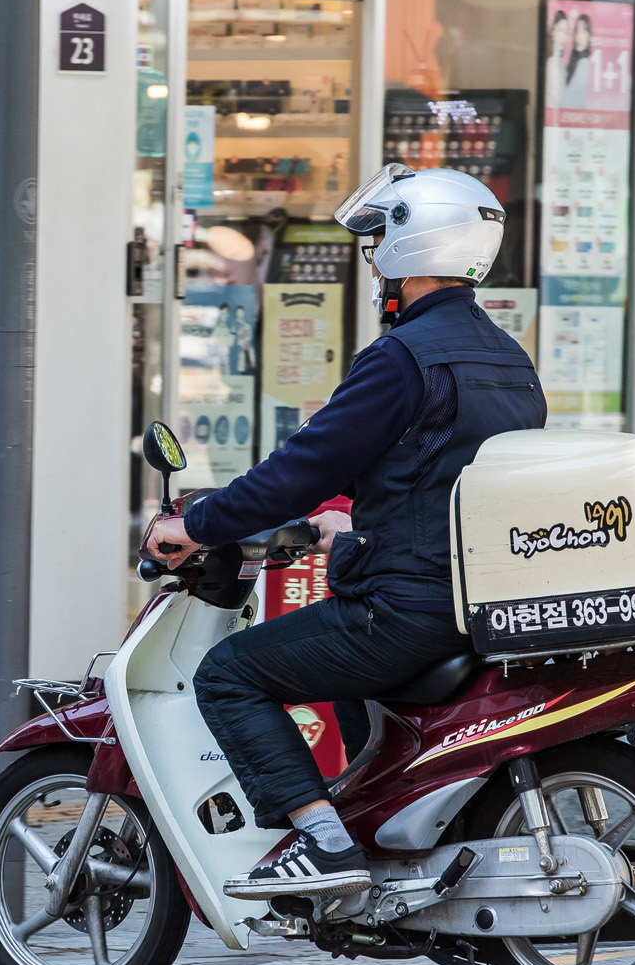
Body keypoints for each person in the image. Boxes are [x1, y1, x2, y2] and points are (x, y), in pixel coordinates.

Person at [146, 165, 545, 899]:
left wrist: (196, 524)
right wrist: (338, 507)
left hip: (404, 609)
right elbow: (429, 463)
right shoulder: (506, 357)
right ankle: (371, 844)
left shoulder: (400, 357)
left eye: (377, 242)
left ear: (407, 243)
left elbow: (304, 463)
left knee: (230, 673)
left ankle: (322, 841)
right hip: (476, 602)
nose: (371, 261)